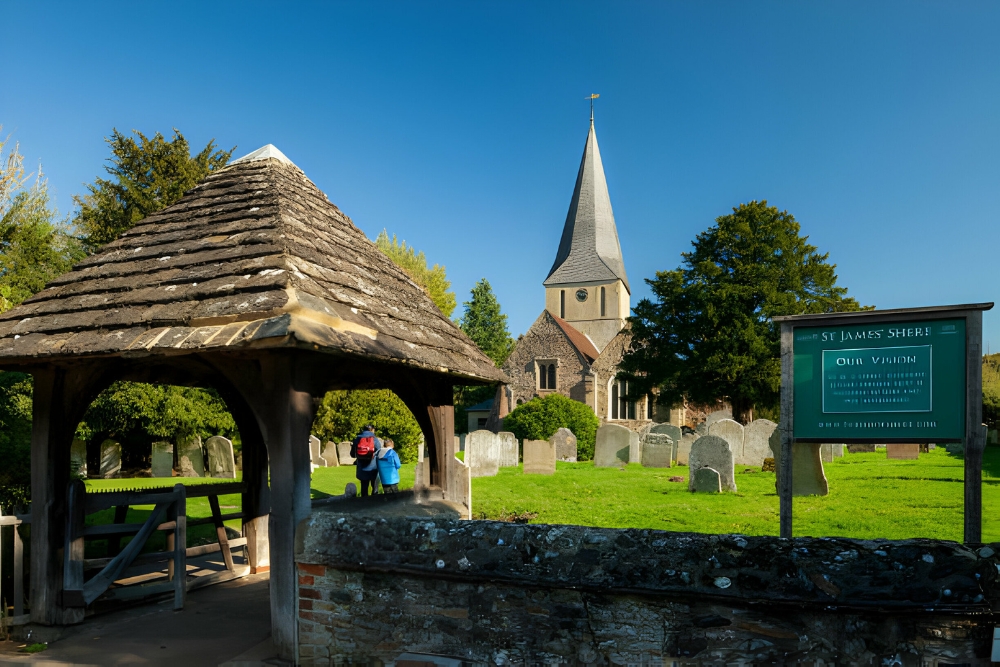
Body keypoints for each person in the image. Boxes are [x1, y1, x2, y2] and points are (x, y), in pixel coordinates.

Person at [351, 424, 382, 497]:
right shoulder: (374, 438)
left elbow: (352, 454)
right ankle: (375, 502)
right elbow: (379, 450)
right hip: (373, 467)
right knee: (375, 486)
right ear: (372, 430)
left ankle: (364, 503)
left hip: (362, 467)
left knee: (364, 487)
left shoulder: (357, 439)